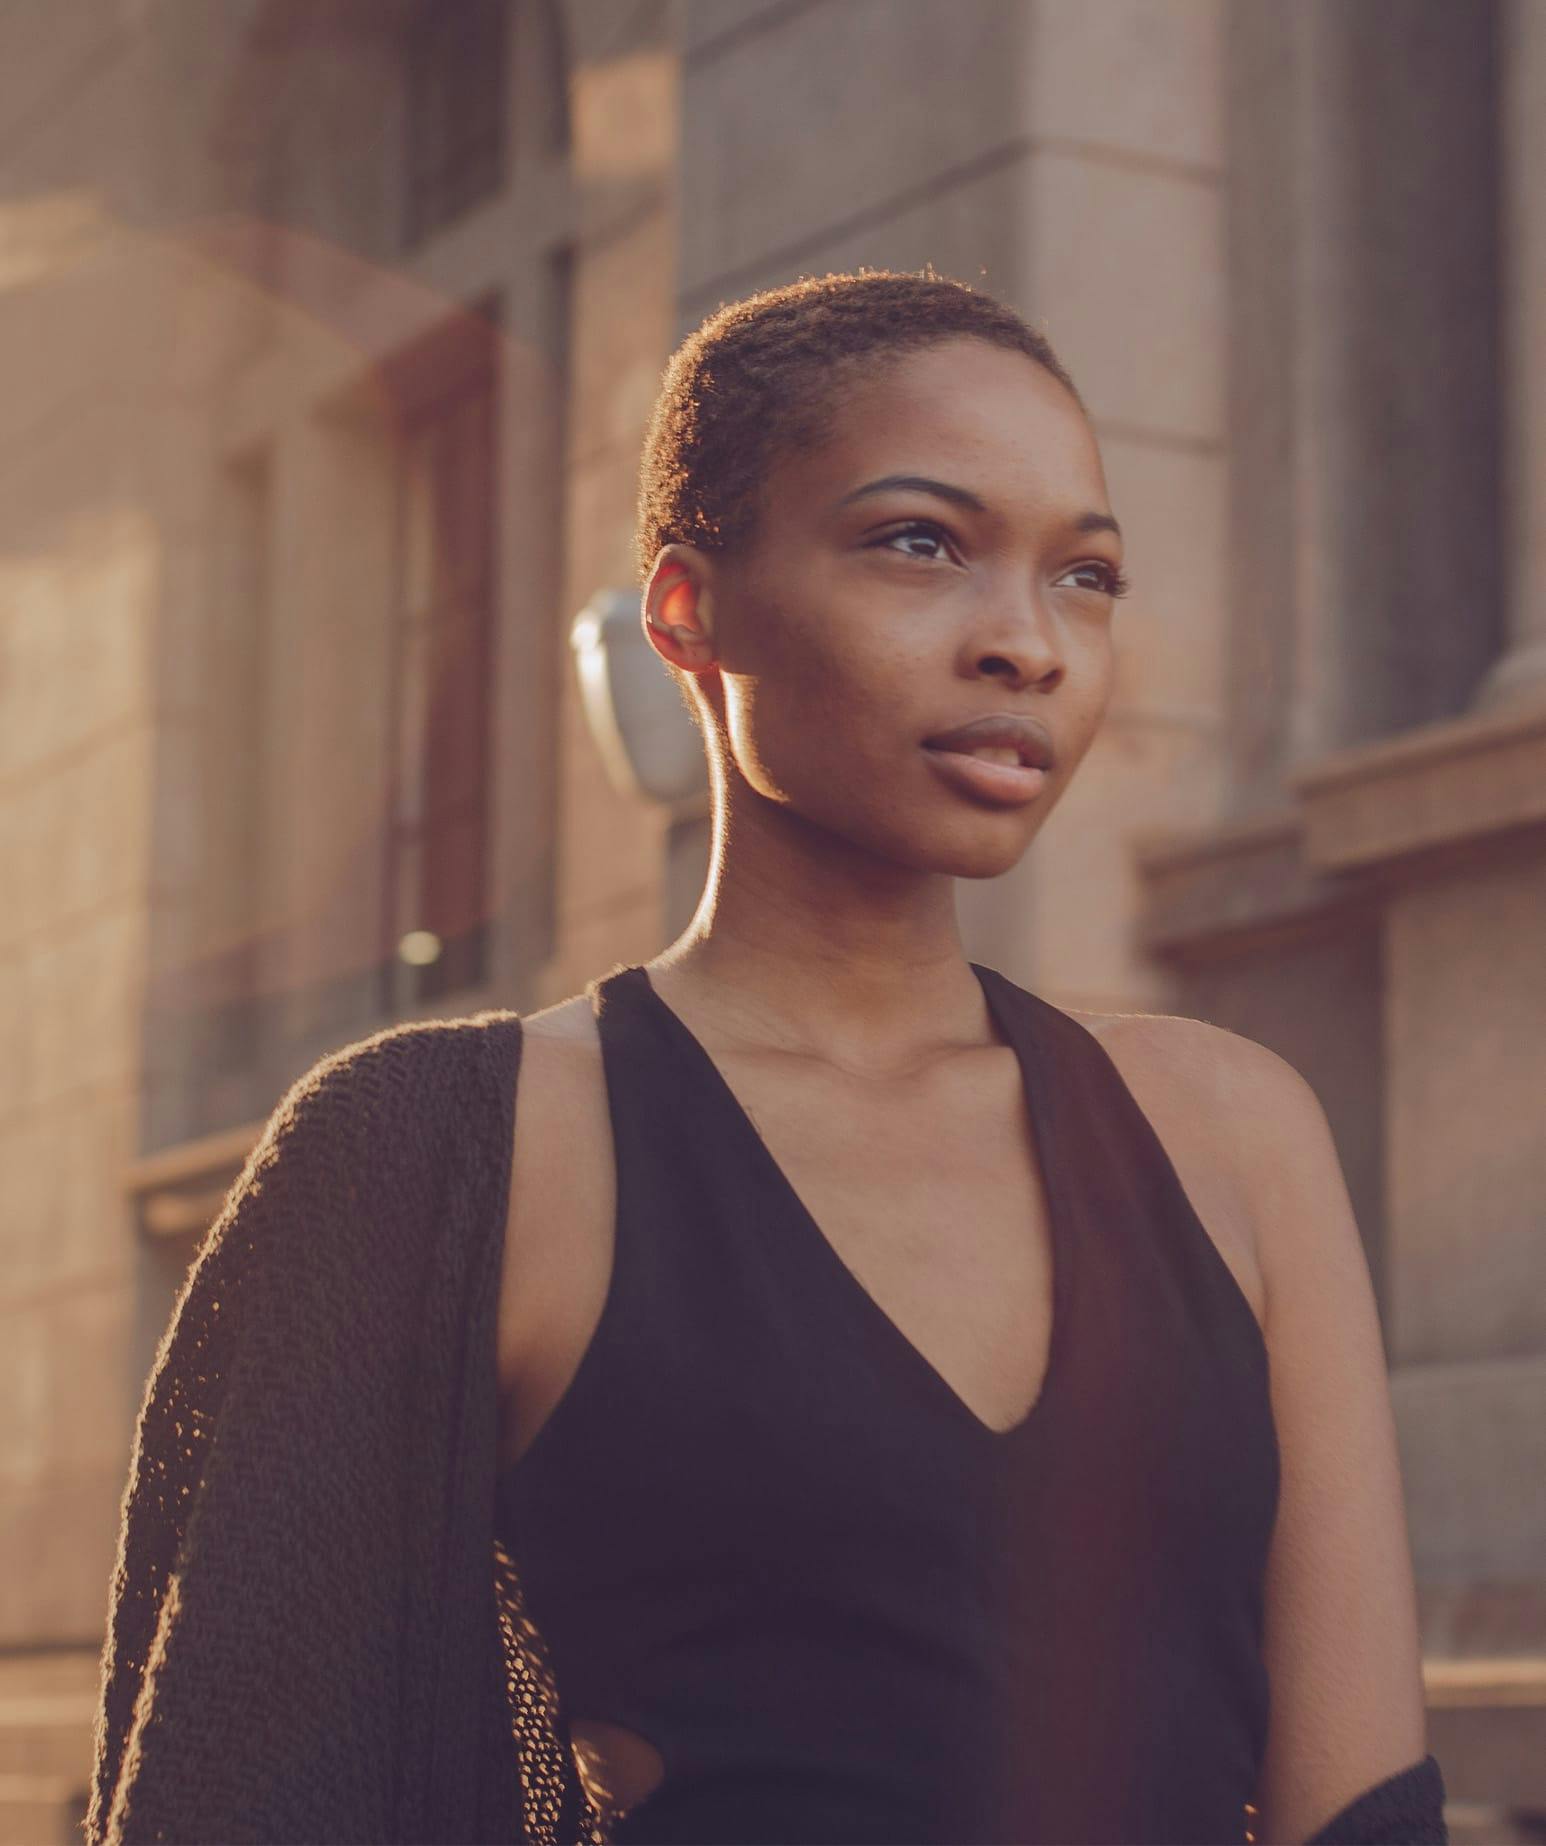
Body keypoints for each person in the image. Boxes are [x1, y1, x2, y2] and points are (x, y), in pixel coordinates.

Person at [87, 268, 1446, 1846]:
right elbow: (243, 1797)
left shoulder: (1233, 1128)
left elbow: (1362, 1811)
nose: (1027, 643)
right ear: (688, 610)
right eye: (918, 542)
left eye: (1084, 575)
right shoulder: (454, 1149)